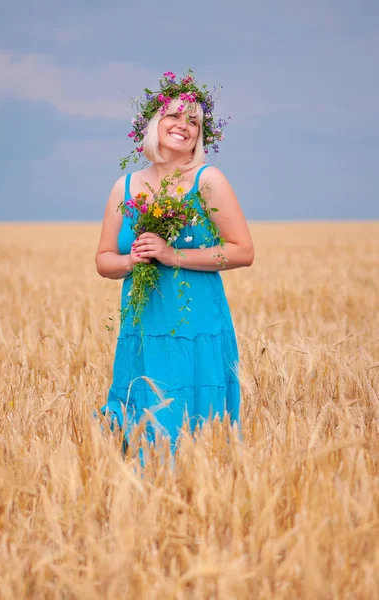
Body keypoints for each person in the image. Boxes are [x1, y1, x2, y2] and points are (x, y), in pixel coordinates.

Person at [95, 71, 254, 457]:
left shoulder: (207, 180)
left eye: (194, 121)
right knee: (140, 432)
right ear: (153, 123)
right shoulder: (125, 187)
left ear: (200, 136)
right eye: (174, 116)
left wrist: (172, 255)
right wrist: (132, 260)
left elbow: (242, 251)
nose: (183, 126)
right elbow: (103, 261)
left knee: (197, 432)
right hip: (142, 326)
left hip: (195, 325)